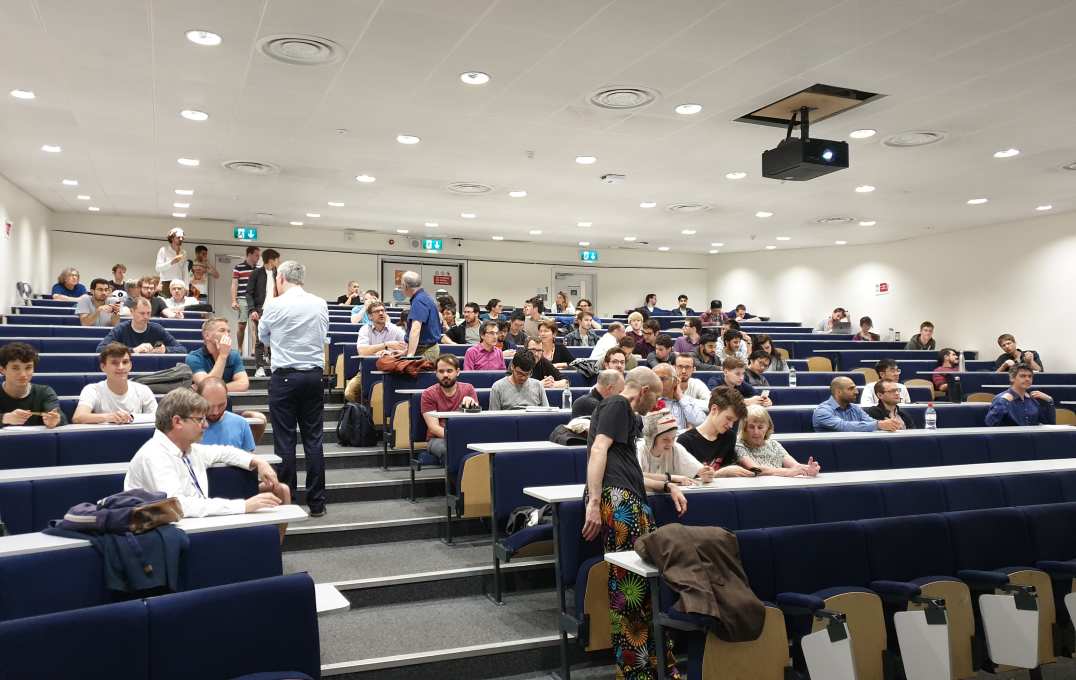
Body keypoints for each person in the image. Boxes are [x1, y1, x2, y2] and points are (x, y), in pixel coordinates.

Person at [580, 366, 683, 680]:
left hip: (629, 499)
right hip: (621, 503)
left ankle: (654, 665)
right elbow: (598, 449)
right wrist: (594, 503)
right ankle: (637, 671)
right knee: (631, 591)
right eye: (656, 397)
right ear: (645, 390)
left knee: (641, 587)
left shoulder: (627, 414)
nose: (657, 404)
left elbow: (629, 468)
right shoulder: (617, 404)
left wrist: (667, 484)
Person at [124, 388, 289, 524]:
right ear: (177, 421)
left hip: (189, 525)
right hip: (163, 535)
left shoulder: (189, 449)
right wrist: (243, 506)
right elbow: (178, 505)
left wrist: (258, 461)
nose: (206, 425)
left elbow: (225, 452)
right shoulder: (154, 456)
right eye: (199, 420)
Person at [258, 260, 330, 517]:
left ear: (281, 278)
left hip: (285, 377)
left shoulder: (274, 304)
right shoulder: (320, 303)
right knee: (314, 440)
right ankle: (317, 503)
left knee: (285, 441)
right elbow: (323, 335)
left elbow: (263, 337)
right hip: (313, 376)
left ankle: (288, 501)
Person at [72, 343, 157, 424]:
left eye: (125, 362)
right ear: (103, 367)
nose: (121, 367)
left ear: (130, 365)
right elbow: (78, 417)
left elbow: (159, 417)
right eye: (114, 363)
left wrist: (131, 417)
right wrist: (110, 417)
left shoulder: (143, 390)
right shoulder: (92, 390)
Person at [676, 385, 751, 473]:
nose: (731, 425)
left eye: (734, 421)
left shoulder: (729, 437)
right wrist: (720, 473)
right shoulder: (685, 441)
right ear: (714, 409)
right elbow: (686, 478)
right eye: (728, 418)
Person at [420, 354, 480, 460]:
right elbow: (434, 428)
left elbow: (474, 421)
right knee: (453, 449)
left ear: (457, 372)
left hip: (464, 436)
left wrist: (471, 407)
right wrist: (457, 438)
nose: (445, 375)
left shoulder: (468, 389)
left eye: (449, 371)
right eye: (441, 371)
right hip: (437, 438)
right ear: (436, 373)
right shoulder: (428, 394)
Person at [735, 405, 820, 476]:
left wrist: (808, 469)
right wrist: (787, 472)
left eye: (760, 427)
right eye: (751, 427)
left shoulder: (774, 444)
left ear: (768, 427)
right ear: (744, 428)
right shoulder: (738, 445)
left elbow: (795, 466)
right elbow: (755, 469)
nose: (756, 432)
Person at [637, 410, 713, 483]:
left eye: (673, 438)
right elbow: (637, 476)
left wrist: (706, 473)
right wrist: (670, 478)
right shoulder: (639, 450)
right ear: (652, 439)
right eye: (665, 439)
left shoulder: (676, 448)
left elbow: (698, 470)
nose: (670, 444)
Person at [0, 342, 64, 428]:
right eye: (15, 368)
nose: (23, 374)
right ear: (2, 370)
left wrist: (55, 420)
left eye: (28, 368)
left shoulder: (44, 392)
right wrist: (5, 418)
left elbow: (59, 416)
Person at [96, 298, 186, 353]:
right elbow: (100, 349)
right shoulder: (121, 328)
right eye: (142, 313)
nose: (146, 317)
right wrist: (133, 350)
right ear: (132, 312)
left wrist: (165, 350)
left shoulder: (157, 328)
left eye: (148, 313)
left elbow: (182, 349)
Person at [813, 377, 902, 432]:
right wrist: (879, 424)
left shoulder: (855, 408)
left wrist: (888, 424)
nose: (856, 392)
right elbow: (843, 426)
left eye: (855, 388)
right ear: (838, 392)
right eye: (851, 389)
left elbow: (870, 421)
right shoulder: (822, 411)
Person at [985, 363, 1056, 426]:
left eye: (1030, 376)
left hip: (1032, 436)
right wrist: (1003, 402)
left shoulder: (1033, 400)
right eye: (1023, 376)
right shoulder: (1002, 399)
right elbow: (990, 424)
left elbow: (1049, 424)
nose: (1027, 379)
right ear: (1012, 378)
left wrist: (1049, 401)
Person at [246, 248, 280, 377]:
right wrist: (252, 310)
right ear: (271, 260)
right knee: (260, 340)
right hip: (260, 310)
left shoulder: (278, 274)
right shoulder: (256, 273)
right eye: (277, 260)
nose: (278, 262)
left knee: (276, 338)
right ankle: (259, 367)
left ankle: (274, 366)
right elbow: (249, 293)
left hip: (275, 311)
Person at [401, 271, 443, 361]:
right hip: (427, 348)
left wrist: (410, 355)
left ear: (405, 286)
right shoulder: (425, 297)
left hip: (425, 351)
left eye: (401, 284)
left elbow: (416, 329)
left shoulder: (418, 300)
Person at [653, 363, 706, 429]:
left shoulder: (686, 401)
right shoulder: (650, 402)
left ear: (675, 381)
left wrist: (681, 397)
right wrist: (685, 431)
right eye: (655, 379)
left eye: (662, 379)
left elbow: (700, 422)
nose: (658, 383)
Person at [231, 245, 261, 354]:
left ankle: (254, 350)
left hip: (255, 300)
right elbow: (234, 284)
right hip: (242, 298)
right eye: (256, 255)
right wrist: (234, 300)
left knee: (255, 325)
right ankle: (239, 348)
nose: (258, 257)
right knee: (242, 324)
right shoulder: (238, 267)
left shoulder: (259, 269)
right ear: (249, 254)